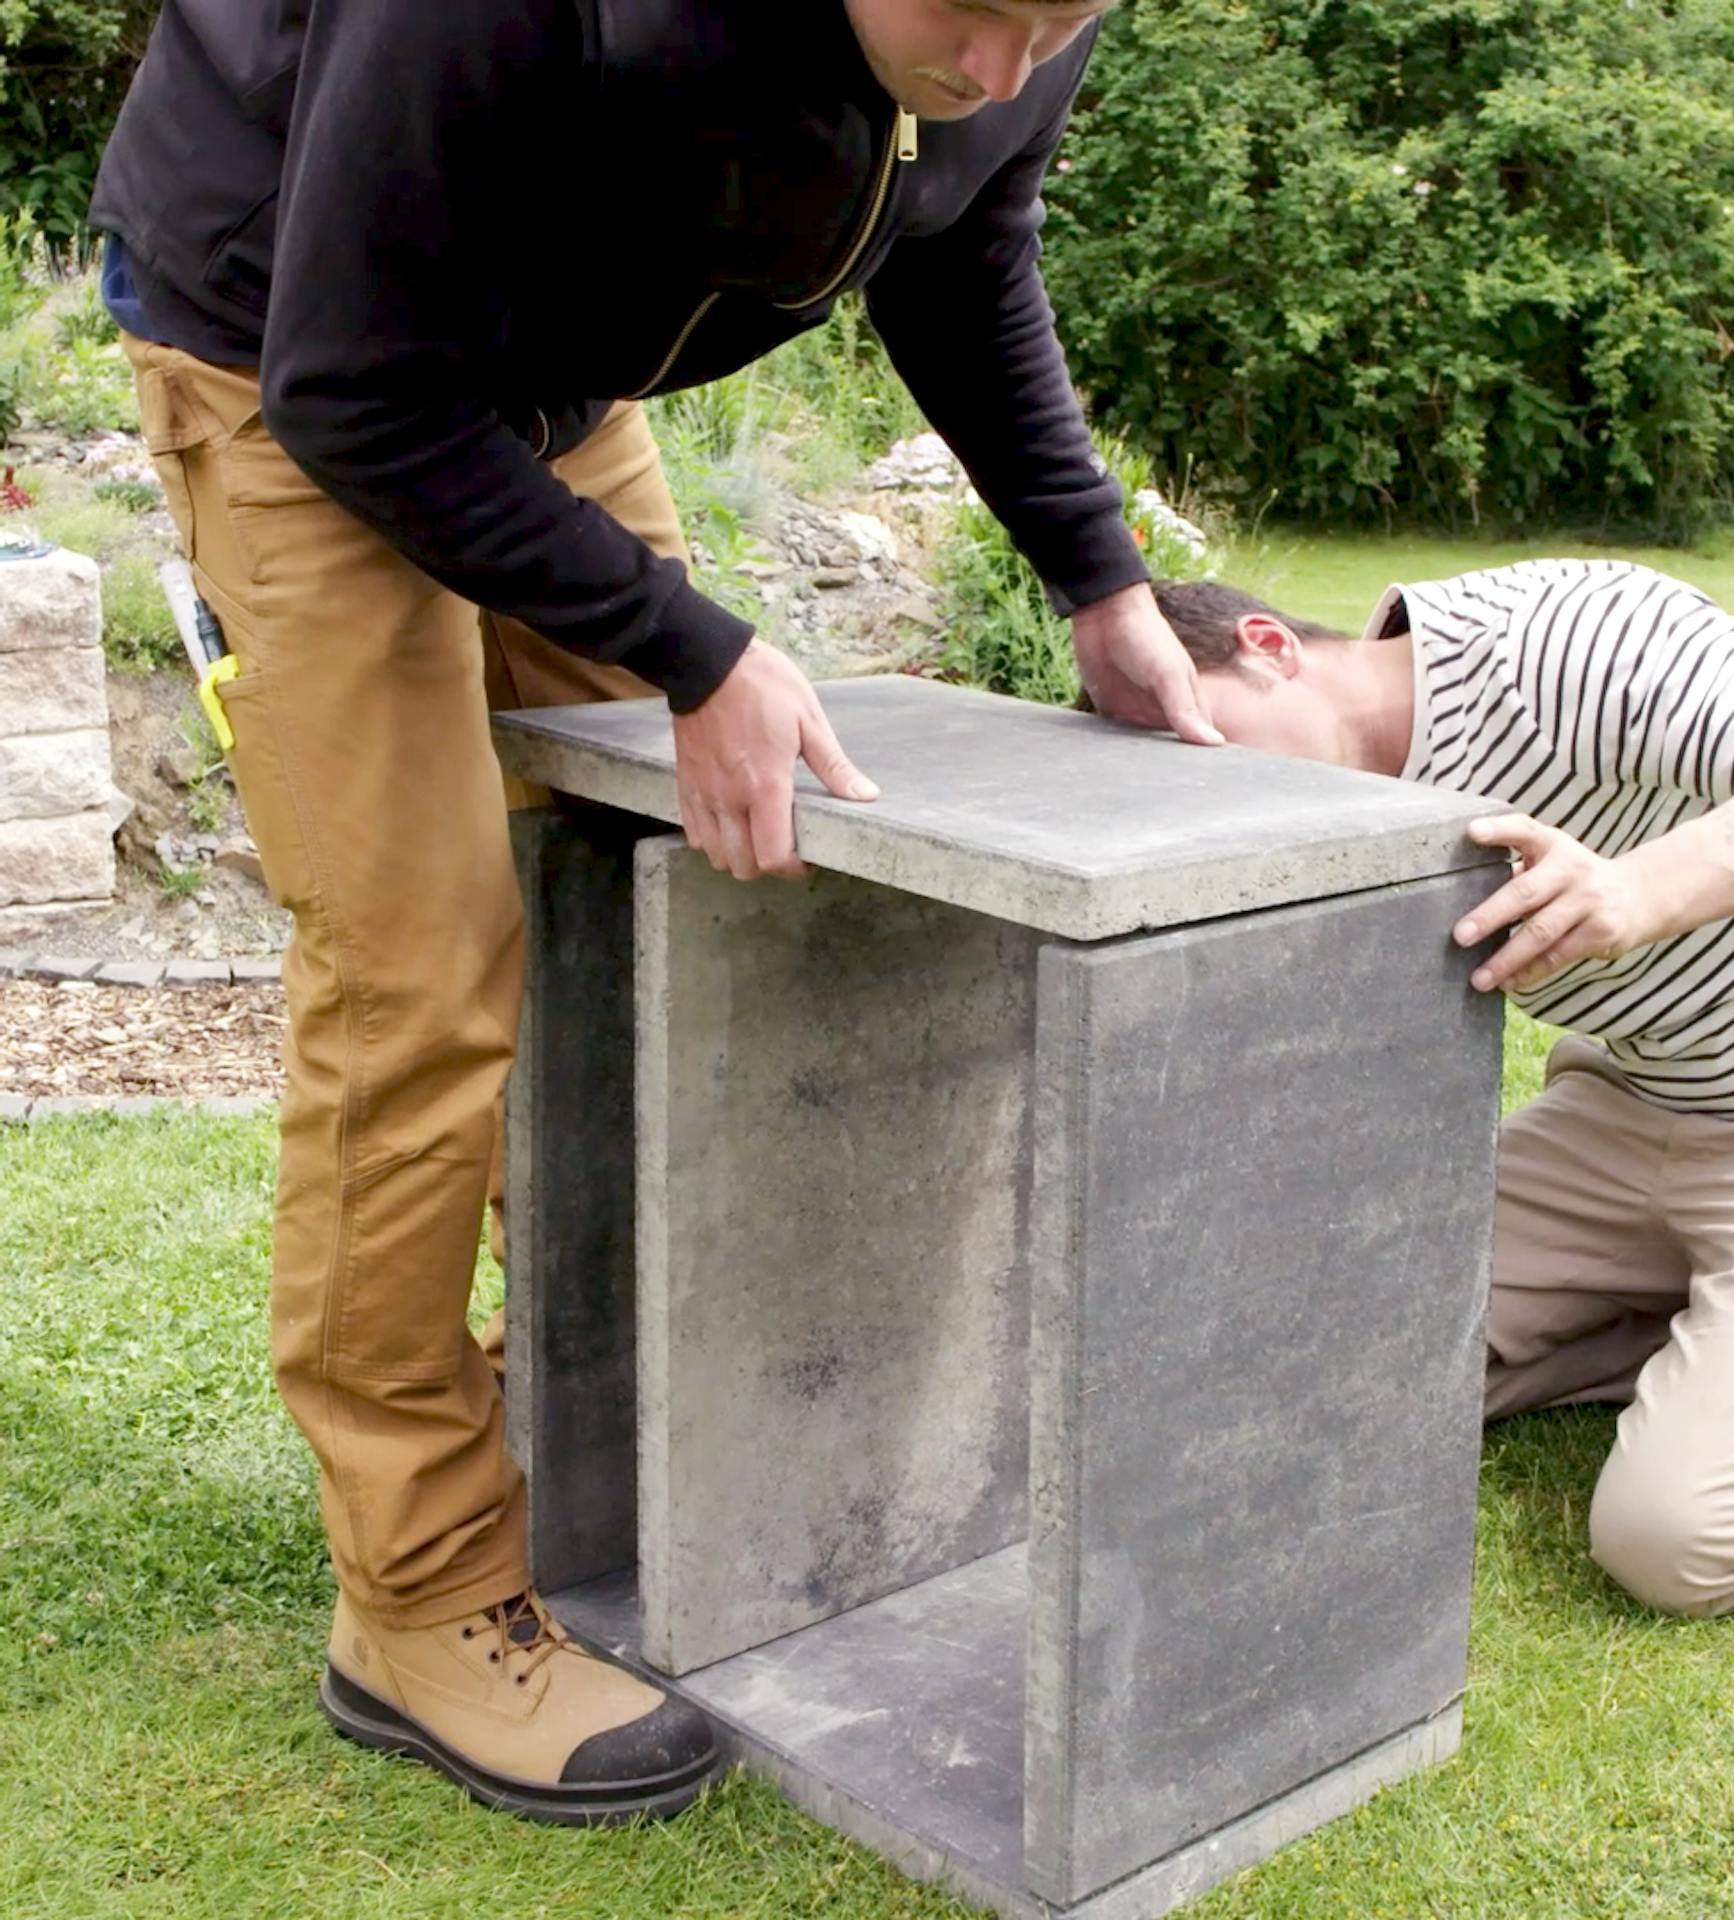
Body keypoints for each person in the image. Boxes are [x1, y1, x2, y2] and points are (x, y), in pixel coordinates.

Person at [87, 0, 1221, 1827]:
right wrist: (691, 647)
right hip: (290, 346)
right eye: (978, 10)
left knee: (656, 905)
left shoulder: (1010, 40)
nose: (1010, 70)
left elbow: (966, 249)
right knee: (418, 970)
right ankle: (419, 1595)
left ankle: (577, 1435)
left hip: (554, 376)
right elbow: (353, 382)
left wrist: (1099, 577)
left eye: (1064, 22)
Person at [1146, 561, 1734, 1618]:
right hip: (1627, 1112)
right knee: (1297, 1382)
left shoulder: (1544, 643)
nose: (1216, 799)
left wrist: (1638, 888)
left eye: (1208, 736)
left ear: (1269, 648)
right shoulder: (1319, 825)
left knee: (1674, 1542)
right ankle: (1716, 1331)